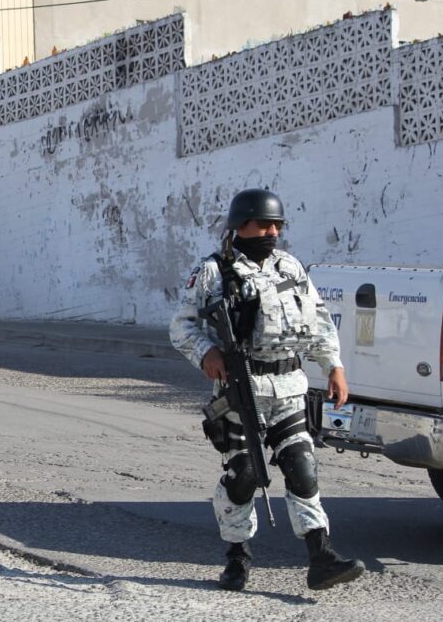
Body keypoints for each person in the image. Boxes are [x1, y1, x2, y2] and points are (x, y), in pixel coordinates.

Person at [169, 188, 365, 592]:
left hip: (289, 386)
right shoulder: (213, 271)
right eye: (264, 224)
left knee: (302, 467)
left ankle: (321, 557)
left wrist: (334, 366)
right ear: (240, 226)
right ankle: (237, 557)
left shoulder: (291, 267)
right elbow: (182, 325)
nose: (272, 231)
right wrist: (207, 353)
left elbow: (320, 319)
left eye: (277, 225)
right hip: (242, 388)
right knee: (244, 474)